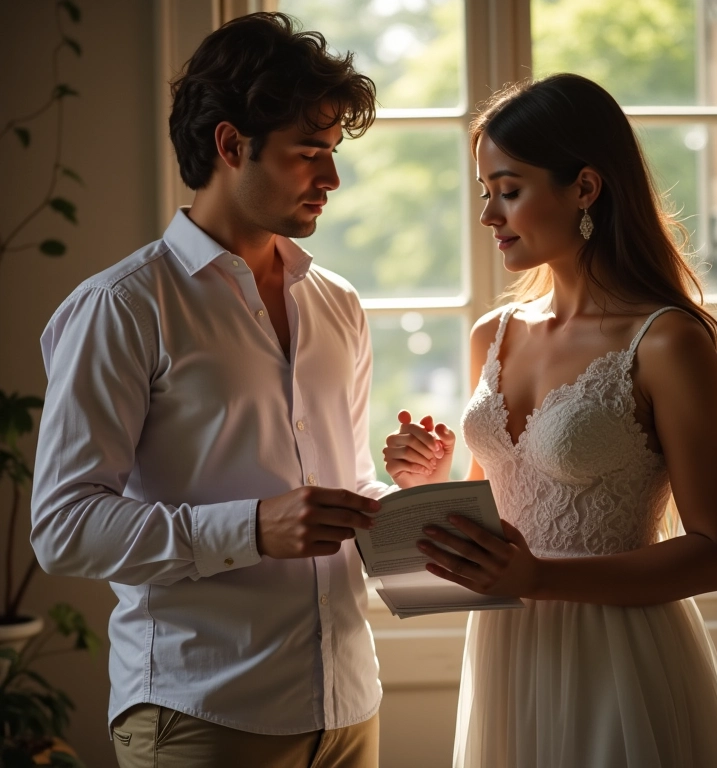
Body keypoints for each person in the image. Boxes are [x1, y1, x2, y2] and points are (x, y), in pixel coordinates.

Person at [31, 12, 386, 768]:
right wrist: (252, 528)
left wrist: (407, 502)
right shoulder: (123, 306)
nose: (331, 178)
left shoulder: (340, 304)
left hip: (352, 710)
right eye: (310, 153)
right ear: (230, 145)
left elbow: (337, 489)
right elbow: (63, 525)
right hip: (204, 717)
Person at [383, 73, 717, 767]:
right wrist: (429, 486)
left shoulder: (667, 341)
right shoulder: (491, 335)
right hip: (507, 657)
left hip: (619, 659)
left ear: (585, 187)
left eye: (510, 190)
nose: (489, 216)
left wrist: (540, 580)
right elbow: (502, 519)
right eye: (484, 193)